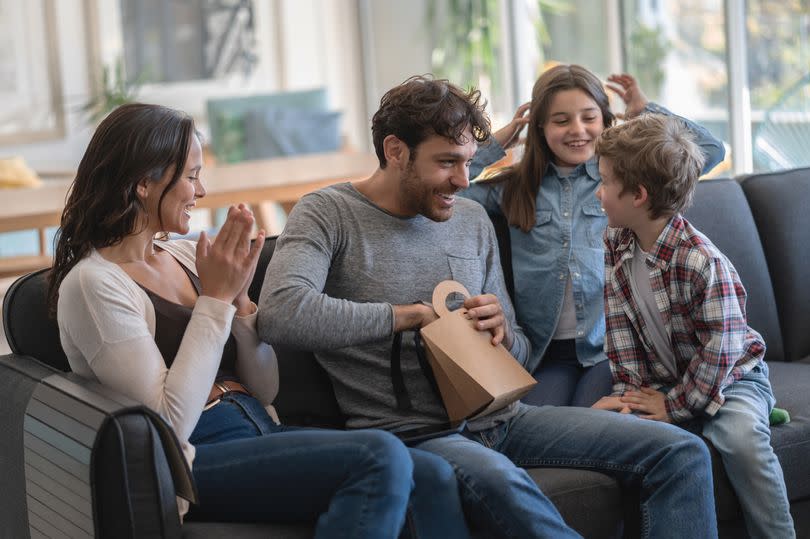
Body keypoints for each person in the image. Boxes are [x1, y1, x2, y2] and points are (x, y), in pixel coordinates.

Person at [259, 75, 719, 538]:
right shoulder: (327, 213)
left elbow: (517, 350)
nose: (463, 179)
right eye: (447, 163)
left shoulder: (471, 218)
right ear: (396, 151)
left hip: (508, 419)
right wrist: (410, 315)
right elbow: (282, 313)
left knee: (680, 451)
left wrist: (501, 331)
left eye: (465, 162)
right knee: (505, 483)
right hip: (416, 434)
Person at [49, 103, 471, 538]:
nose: (201, 190)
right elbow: (167, 424)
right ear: (143, 184)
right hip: (190, 458)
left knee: (434, 476)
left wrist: (242, 301)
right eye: (191, 176)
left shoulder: (183, 255)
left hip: (257, 426)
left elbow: (266, 388)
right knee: (380, 457)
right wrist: (214, 300)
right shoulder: (93, 285)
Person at [461, 66, 725, 407]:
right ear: (539, 127)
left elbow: (711, 151)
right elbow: (451, 188)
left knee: (595, 420)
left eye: (589, 117)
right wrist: (496, 143)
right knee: (540, 428)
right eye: (561, 120)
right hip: (546, 355)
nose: (578, 130)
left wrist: (644, 110)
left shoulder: (621, 183)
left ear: (605, 119)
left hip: (611, 351)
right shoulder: (515, 188)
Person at [592, 113, 795, 538]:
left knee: (740, 441)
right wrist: (628, 396)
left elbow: (721, 351)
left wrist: (673, 407)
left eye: (606, 182)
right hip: (673, 379)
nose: (598, 192)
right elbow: (620, 329)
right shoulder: (616, 242)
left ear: (639, 196)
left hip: (731, 377)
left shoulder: (702, 262)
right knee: (615, 431)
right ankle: (713, 417)